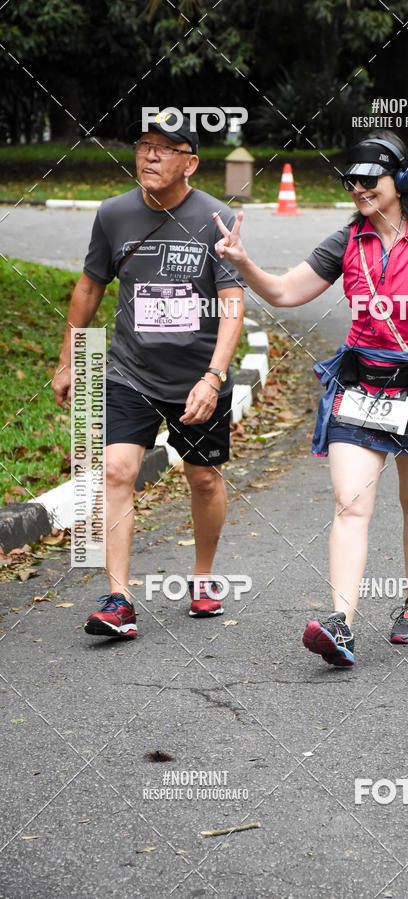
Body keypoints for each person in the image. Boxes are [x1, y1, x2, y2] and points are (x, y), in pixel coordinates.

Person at [213, 131, 408, 667]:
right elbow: (286, 291)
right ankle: (341, 622)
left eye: (369, 179)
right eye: (351, 180)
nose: (358, 188)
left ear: (401, 182)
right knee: (351, 505)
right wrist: (244, 263)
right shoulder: (346, 241)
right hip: (360, 387)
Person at [52, 112, 245, 638]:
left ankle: (203, 578)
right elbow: (90, 287)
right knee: (116, 470)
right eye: (143, 145)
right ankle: (119, 598)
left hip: (196, 375)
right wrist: (69, 358)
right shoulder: (113, 215)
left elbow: (232, 305)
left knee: (202, 477)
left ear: (191, 163)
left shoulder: (215, 218)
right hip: (129, 370)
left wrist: (214, 377)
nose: (150, 156)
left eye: (165, 148)